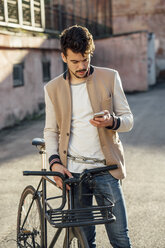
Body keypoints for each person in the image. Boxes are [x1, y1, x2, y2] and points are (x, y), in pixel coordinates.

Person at [44, 25, 133, 248]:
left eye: (86, 59)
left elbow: (128, 120)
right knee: (85, 240)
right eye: (75, 61)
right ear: (63, 57)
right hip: (73, 174)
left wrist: (112, 121)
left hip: (106, 171)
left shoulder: (110, 77)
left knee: (120, 239)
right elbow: (51, 131)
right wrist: (54, 163)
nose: (82, 66)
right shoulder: (52, 88)